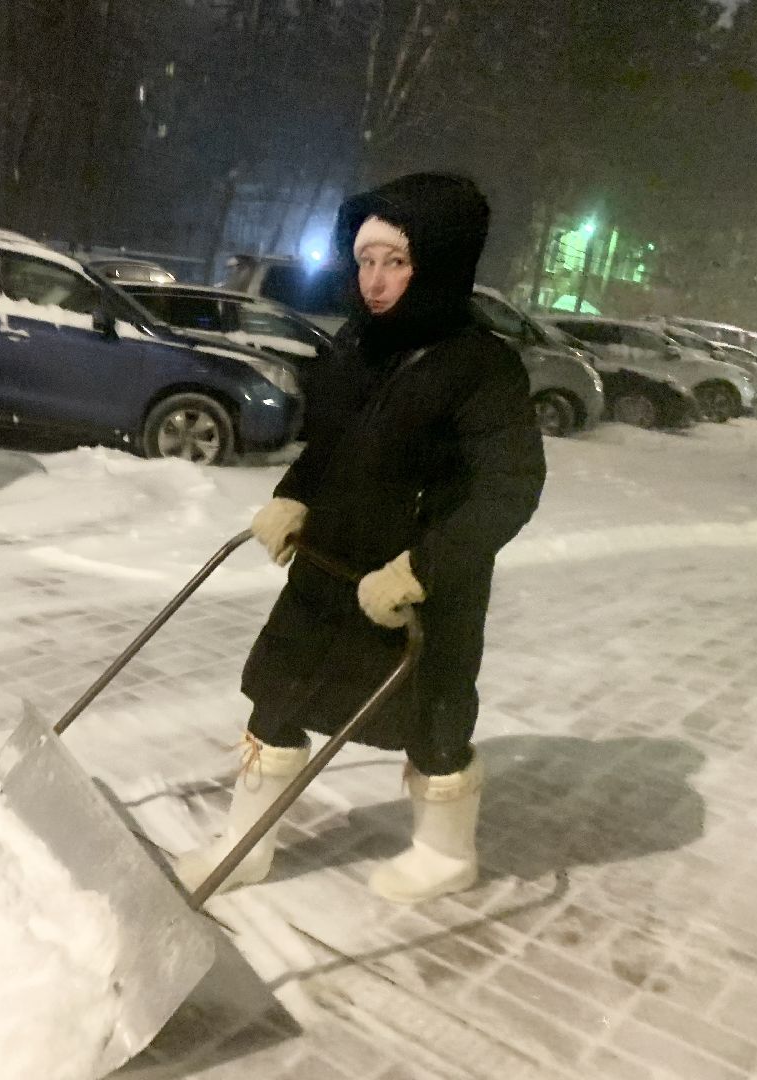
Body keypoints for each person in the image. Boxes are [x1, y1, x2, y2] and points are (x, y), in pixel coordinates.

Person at [175, 173, 547, 904]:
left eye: (396, 263)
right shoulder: (361, 346)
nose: (374, 282)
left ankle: (445, 856)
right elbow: (334, 445)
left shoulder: (483, 368)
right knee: (276, 696)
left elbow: (510, 488)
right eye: (366, 261)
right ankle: (244, 848)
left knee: (430, 721)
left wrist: (423, 569)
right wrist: (291, 499)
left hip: (416, 592)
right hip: (328, 571)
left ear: (436, 266)